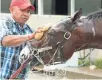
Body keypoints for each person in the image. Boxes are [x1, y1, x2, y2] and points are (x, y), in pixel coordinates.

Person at [0, 0, 44, 79]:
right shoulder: (4, 23)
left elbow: (36, 60)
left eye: (28, 11)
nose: (26, 14)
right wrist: (29, 37)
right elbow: (5, 41)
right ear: (11, 10)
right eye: (22, 10)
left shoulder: (30, 31)